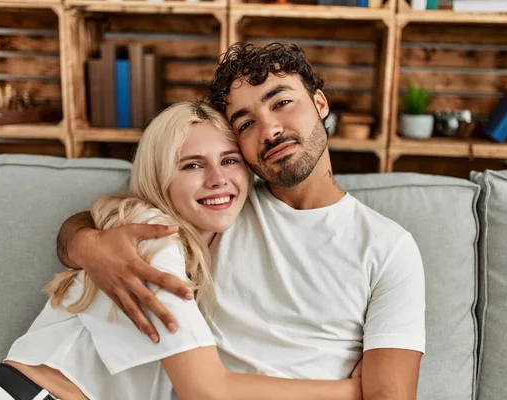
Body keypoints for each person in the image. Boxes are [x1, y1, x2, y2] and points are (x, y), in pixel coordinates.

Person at [56, 42, 426, 399]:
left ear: (319, 103)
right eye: (246, 123)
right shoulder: (221, 206)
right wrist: (87, 244)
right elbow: (117, 213)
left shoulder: (388, 246)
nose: (270, 130)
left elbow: (389, 394)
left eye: (282, 103)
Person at [0, 101, 363, 400]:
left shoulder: (202, 242)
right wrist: (351, 390)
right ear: (160, 175)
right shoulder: (151, 235)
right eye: (192, 165)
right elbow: (206, 389)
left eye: (229, 160)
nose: (217, 180)